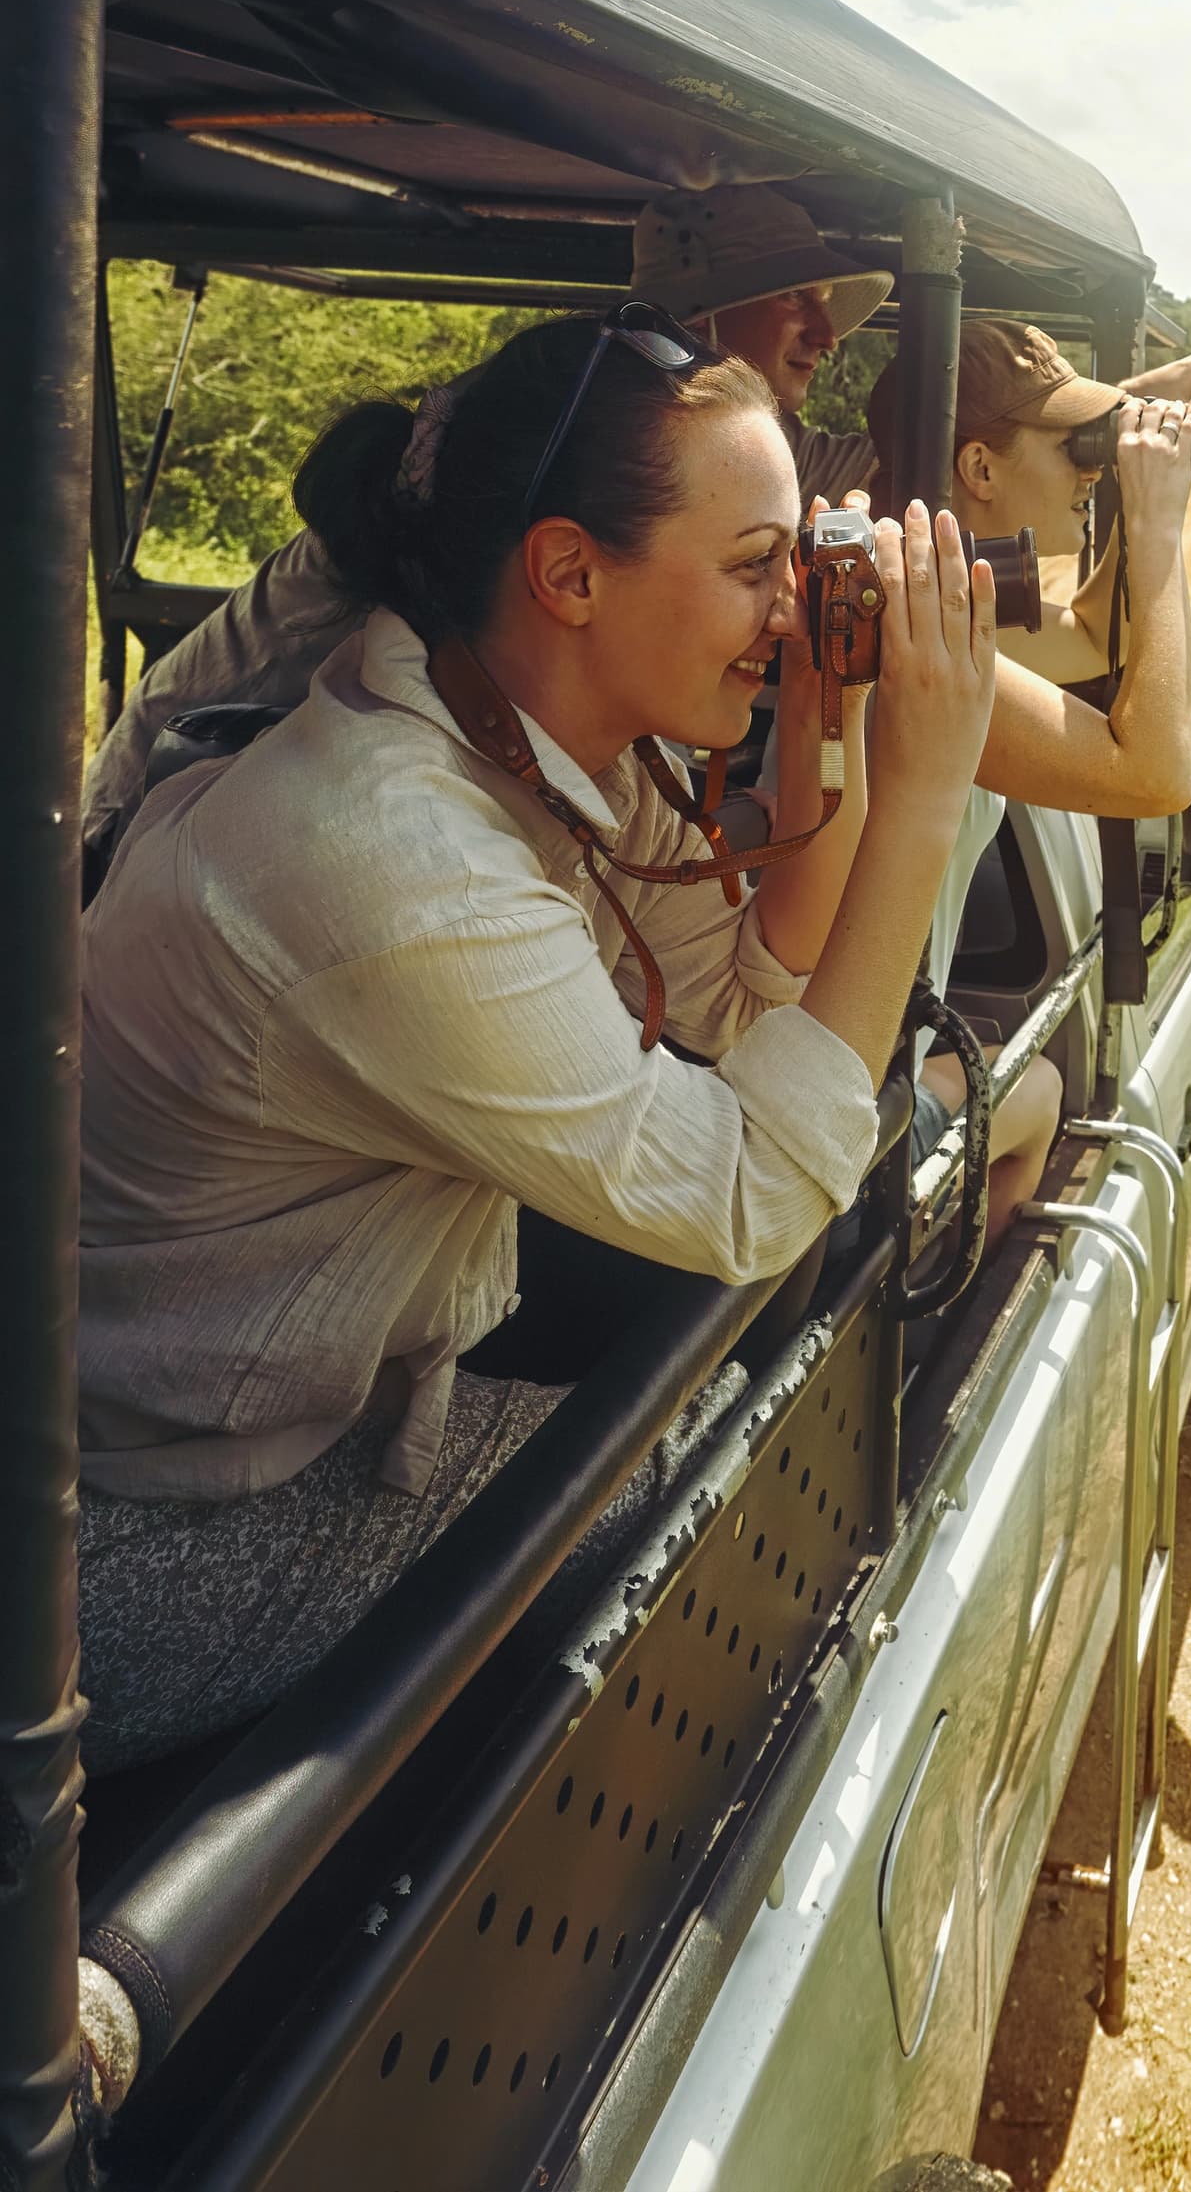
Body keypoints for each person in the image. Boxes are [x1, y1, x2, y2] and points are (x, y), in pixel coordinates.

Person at [73, 308, 998, 1769]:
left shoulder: (513, 728)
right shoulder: (392, 853)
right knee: (689, 1454)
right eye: (758, 569)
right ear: (570, 570)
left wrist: (830, 715)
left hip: (233, 1401)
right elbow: (749, 1199)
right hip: (134, 1541)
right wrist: (928, 797)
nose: (787, 606)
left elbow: (742, 998)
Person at [82, 187, 1191, 841]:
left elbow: (954, 476)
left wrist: (1108, 425)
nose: (824, 328)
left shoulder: (731, 461)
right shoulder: (596, 454)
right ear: (681, 322)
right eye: (788, 300)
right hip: (185, 816)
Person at [867, 322, 1191, 1240]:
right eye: (1075, 448)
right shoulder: (929, 641)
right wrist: (1159, 525)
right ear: (978, 469)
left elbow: (1097, 634)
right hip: (847, 1091)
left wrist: (1131, 431)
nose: (1089, 468)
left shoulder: (905, 590)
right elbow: (1156, 772)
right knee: (1042, 1083)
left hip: (847, 1055)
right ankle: (943, 1346)